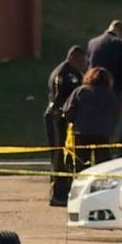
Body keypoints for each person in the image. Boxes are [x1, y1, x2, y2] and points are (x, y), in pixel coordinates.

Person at [44, 46, 86, 206]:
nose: (84, 64)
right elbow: (60, 97)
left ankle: (62, 191)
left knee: (63, 156)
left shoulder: (71, 72)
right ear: (74, 58)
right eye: (82, 61)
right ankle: (57, 194)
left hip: (61, 117)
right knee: (58, 156)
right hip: (57, 117)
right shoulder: (65, 74)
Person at [62, 67, 118, 168]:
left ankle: (81, 181)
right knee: (103, 164)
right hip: (103, 132)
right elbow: (115, 112)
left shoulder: (80, 91)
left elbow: (68, 110)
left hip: (82, 131)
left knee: (81, 162)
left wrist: (73, 121)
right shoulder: (110, 94)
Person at [86, 20, 122, 97]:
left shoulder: (92, 42)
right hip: (112, 89)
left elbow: (88, 65)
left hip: (93, 87)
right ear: (121, 32)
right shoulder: (121, 43)